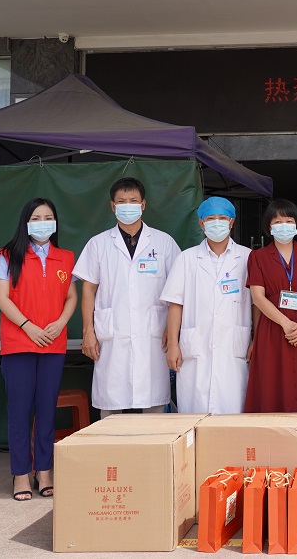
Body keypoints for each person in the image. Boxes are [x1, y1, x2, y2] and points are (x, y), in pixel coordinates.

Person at [73, 177, 181, 418]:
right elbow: (88, 289)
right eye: (121, 201)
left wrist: (172, 328)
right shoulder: (98, 244)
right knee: (110, 405)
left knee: (153, 403)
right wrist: (88, 331)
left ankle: (154, 444)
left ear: (143, 205)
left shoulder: (163, 242)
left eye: (133, 200)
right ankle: (109, 445)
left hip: (153, 334)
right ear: (113, 206)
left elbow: (177, 290)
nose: (127, 206)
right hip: (112, 335)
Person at [0, 198, 77, 501]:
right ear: (26, 223)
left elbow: (71, 297)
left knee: (46, 410)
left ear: (56, 222)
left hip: (53, 343)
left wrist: (61, 323)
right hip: (18, 344)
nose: (43, 223)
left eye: (48, 217)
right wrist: (28, 326)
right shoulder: (7, 255)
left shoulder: (65, 258)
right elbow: (1, 298)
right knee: (19, 411)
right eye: (36, 218)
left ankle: (44, 471)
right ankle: (20, 474)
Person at [160, 197, 254, 414]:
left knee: (233, 412)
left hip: (234, 347)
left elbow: (256, 303)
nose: (217, 223)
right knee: (194, 415)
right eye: (211, 218)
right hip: (195, 349)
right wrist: (173, 344)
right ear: (201, 223)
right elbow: (175, 304)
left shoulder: (247, 257)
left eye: (222, 218)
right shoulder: (187, 258)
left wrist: (256, 338)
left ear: (232, 222)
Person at [244, 199, 297, 412]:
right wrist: (285, 323)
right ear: (269, 226)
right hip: (273, 327)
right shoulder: (257, 257)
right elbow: (258, 297)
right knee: (273, 381)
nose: (284, 225)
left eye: (289, 221)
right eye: (277, 221)